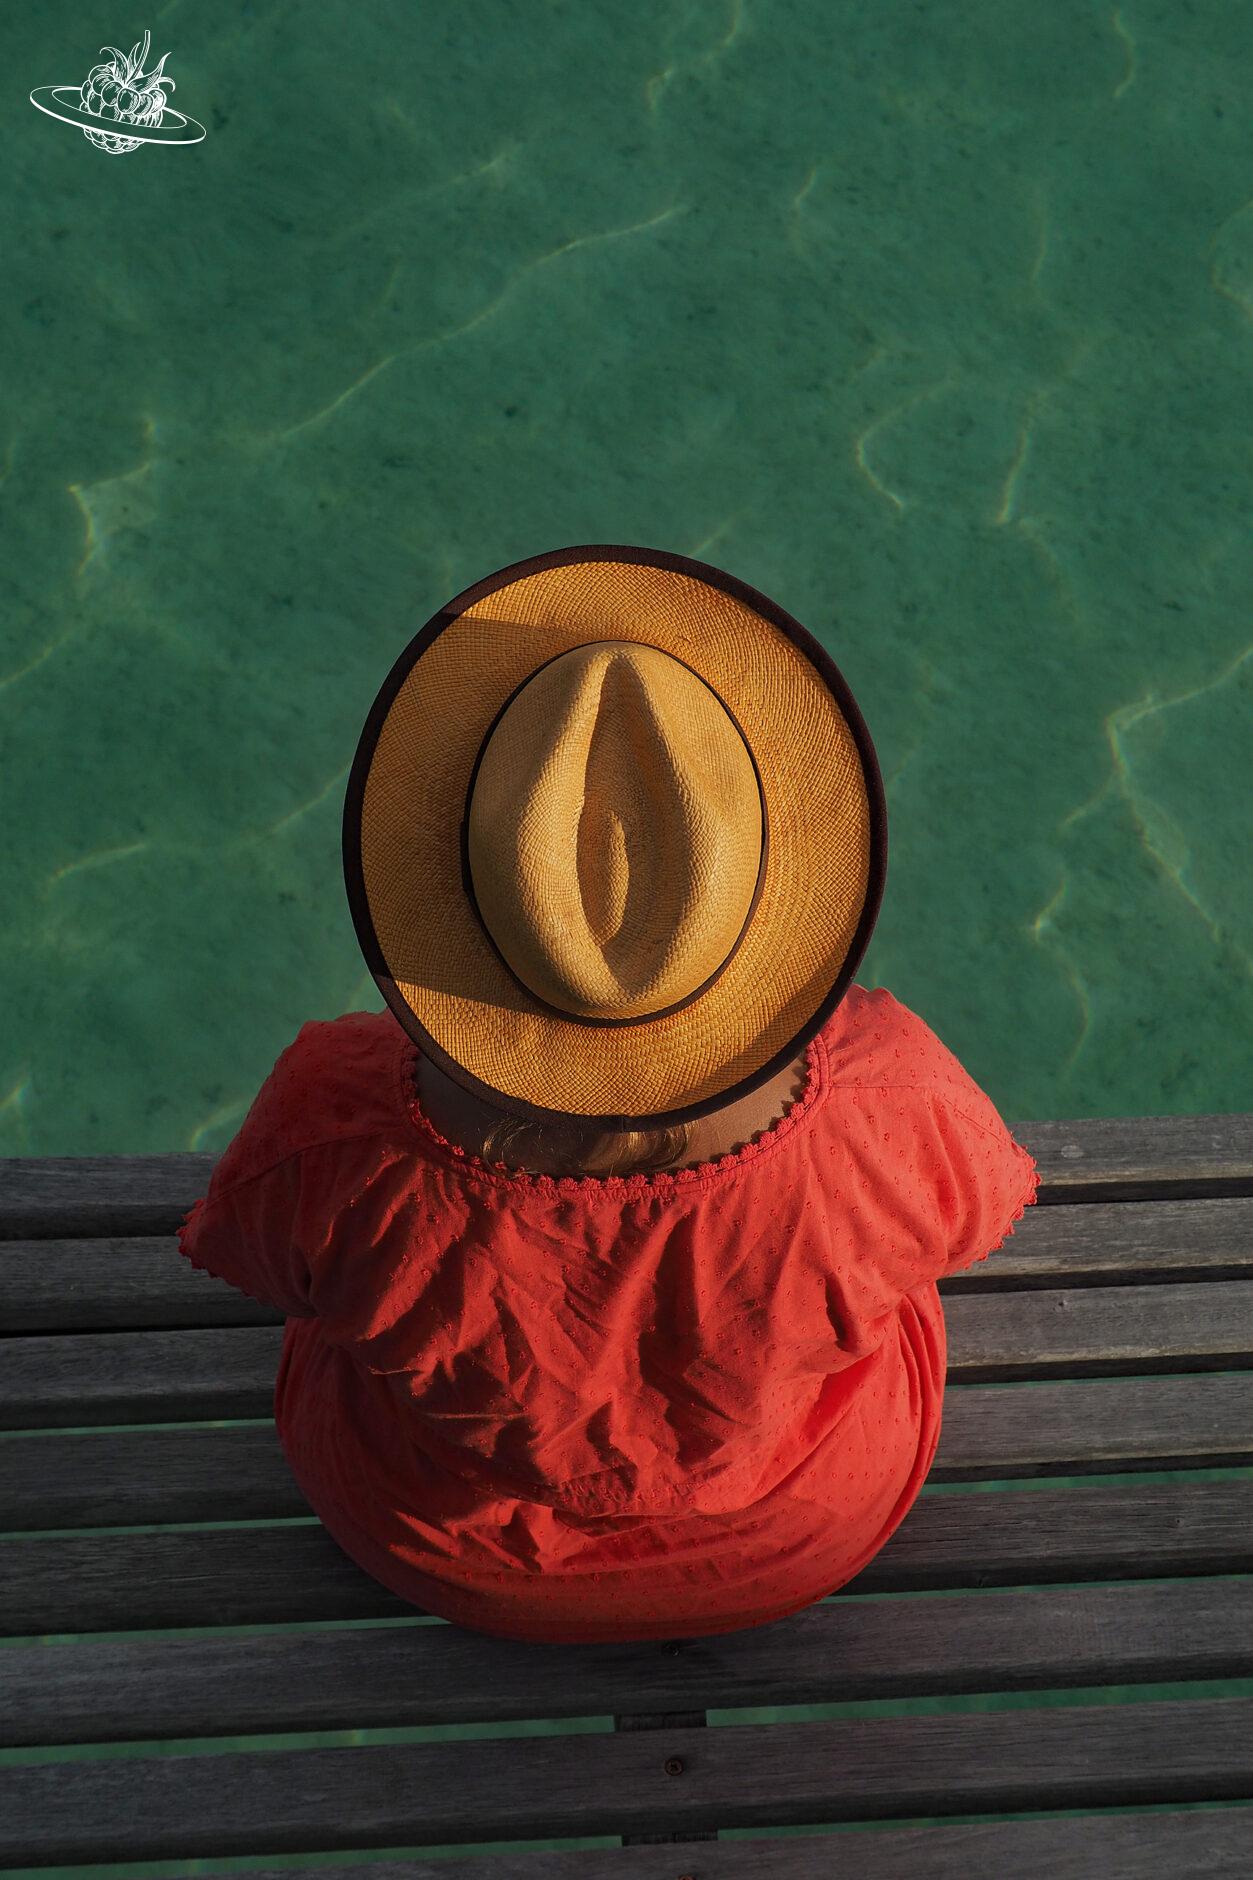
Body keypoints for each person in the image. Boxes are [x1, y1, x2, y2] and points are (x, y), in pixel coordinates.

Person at [179, 543, 1038, 1645]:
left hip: (442, 1545)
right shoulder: (891, 1098)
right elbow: (964, 1220)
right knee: (871, 1261)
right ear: (759, 886)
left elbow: (259, 1260)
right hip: (798, 1533)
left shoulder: (330, 1129)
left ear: (460, 873)